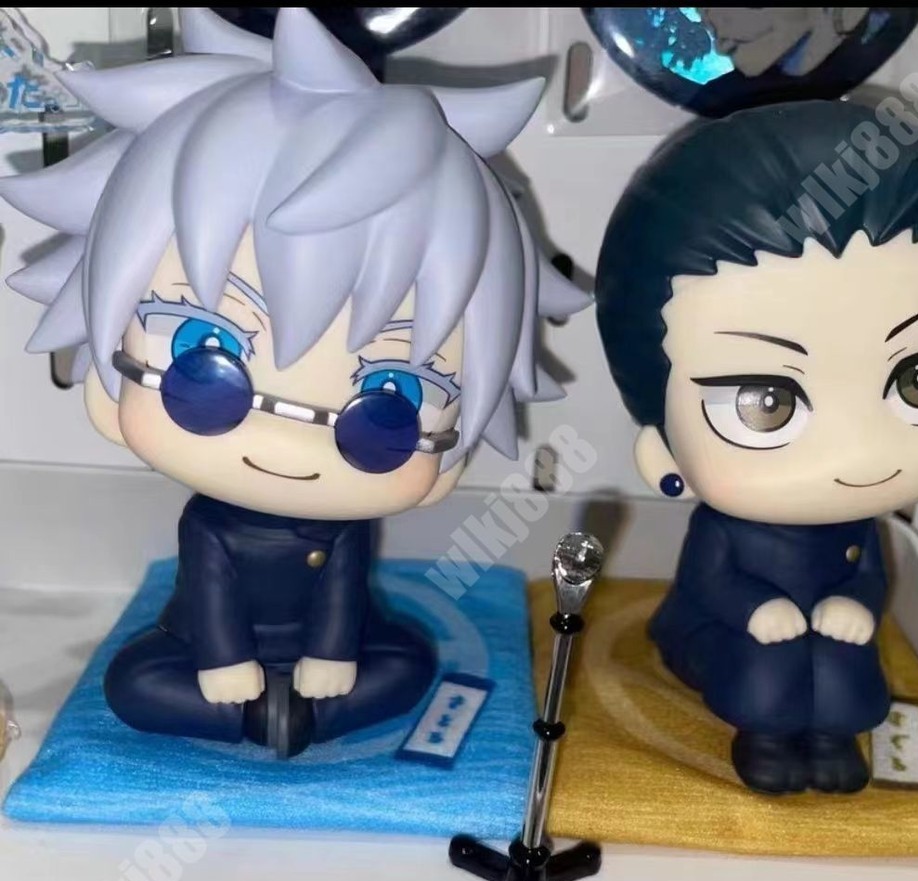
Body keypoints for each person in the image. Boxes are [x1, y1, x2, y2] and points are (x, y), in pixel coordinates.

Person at [1, 8, 587, 757]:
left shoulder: (343, 526)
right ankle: (268, 717)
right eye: (205, 368)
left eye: (388, 412)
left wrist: (332, 654)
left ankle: (283, 715)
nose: (285, 443)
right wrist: (224, 664)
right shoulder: (210, 525)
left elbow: (342, 596)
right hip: (202, 653)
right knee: (135, 685)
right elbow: (211, 594)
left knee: (406, 664)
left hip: (332, 658)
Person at [596, 99, 918, 793]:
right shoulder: (726, 529)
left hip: (821, 631)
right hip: (729, 636)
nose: (861, 449)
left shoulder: (858, 524)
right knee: (768, 665)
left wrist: (858, 603)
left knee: (846, 660)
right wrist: (757, 609)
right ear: (661, 452)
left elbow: (869, 576)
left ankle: (833, 740)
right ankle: (770, 742)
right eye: (767, 403)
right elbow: (710, 583)